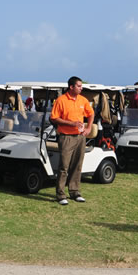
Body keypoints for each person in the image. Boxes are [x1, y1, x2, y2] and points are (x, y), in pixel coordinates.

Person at [50, 76, 93, 205]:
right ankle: (61, 194)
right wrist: (71, 124)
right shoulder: (61, 100)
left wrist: (89, 127)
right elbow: (54, 118)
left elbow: (90, 114)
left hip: (80, 137)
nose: (81, 88)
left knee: (77, 165)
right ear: (71, 87)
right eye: (79, 86)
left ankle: (75, 192)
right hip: (66, 137)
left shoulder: (83, 100)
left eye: (81, 86)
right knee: (64, 166)